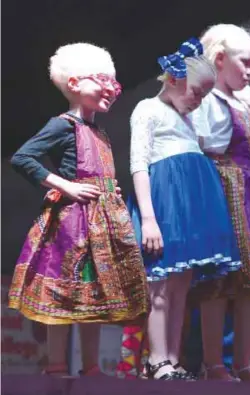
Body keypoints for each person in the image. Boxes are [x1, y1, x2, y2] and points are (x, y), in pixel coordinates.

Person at [8, 43, 149, 377]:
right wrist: (64, 185)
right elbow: (22, 158)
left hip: (104, 225)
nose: (112, 89)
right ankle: (56, 365)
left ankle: (90, 367)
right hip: (72, 225)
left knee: (95, 295)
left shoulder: (99, 131)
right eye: (102, 80)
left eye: (113, 82)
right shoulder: (62, 125)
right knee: (63, 294)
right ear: (74, 84)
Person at [119, 38, 241, 381]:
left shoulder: (189, 120)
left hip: (192, 207)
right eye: (196, 93)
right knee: (159, 284)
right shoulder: (147, 109)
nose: (198, 101)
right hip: (165, 205)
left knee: (180, 287)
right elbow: (139, 163)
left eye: (204, 95)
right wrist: (148, 218)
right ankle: (157, 359)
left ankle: (171, 359)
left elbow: (213, 141)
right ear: (172, 80)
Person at [187, 24, 250, 382]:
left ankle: (244, 363)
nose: (249, 72)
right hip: (220, 192)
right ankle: (214, 363)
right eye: (244, 63)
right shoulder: (205, 102)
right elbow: (201, 149)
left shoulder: (241, 104)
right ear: (218, 59)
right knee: (217, 282)